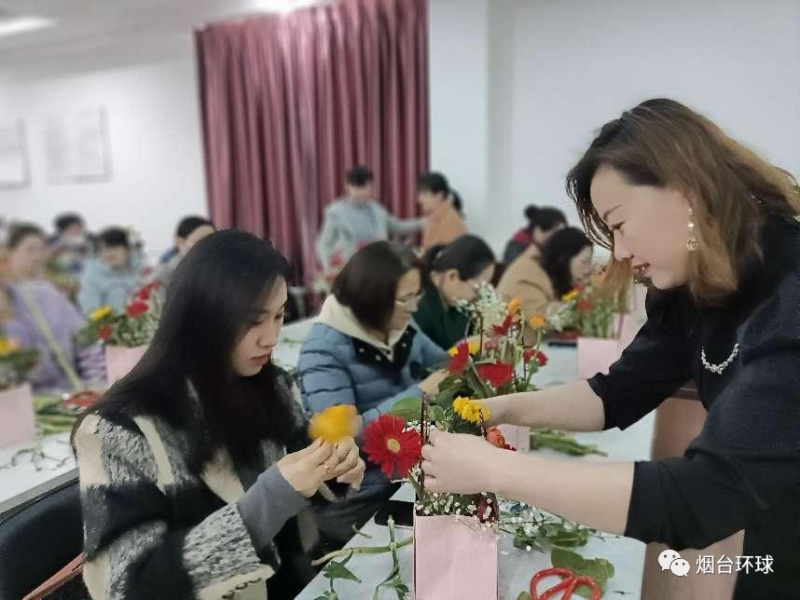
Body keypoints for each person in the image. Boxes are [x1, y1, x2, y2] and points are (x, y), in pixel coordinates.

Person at [418, 99, 800, 598]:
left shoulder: (789, 292)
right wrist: (502, 408)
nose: (617, 251)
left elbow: (702, 496)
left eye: (618, 224)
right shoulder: (698, 282)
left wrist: (495, 470)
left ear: (686, 193)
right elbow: (615, 393)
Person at [72, 230, 365, 599]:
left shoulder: (270, 385)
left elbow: (300, 478)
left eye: (279, 316)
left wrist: (334, 469)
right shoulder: (119, 430)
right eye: (254, 320)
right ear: (200, 317)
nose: (271, 337)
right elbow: (126, 585)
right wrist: (269, 499)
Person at [298, 241, 448, 544]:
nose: (414, 307)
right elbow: (345, 440)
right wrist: (419, 394)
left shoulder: (399, 324)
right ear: (371, 298)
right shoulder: (322, 350)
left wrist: (465, 358)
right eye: (405, 299)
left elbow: (441, 362)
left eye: (417, 295)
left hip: (407, 476)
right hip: (360, 500)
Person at [5, 224, 105, 391]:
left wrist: (96, 382)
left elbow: (85, 340)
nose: (37, 257)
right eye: (30, 250)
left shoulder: (51, 295)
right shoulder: (6, 301)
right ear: (9, 254)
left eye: (41, 250)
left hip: (70, 392)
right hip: (22, 397)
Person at [316, 165, 424, 274]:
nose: (359, 192)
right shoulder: (335, 212)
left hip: (378, 265)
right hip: (350, 268)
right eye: (355, 187)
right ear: (347, 186)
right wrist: (327, 267)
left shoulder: (377, 209)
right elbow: (324, 243)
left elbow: (398, 226)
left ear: (371, 187)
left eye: (363, 187)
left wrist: (424, 222)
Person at [498, 227, 593, 342]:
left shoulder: (551, 273)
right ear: (564, 258)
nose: (588, 269)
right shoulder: (527, 273)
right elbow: (541, 317)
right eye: (585, 262)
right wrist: (589, 309)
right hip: (501, 349)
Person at [414, 235, 496, 350]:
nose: (476, 298)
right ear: (452, 276)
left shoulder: (456, 303)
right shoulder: (419, 308)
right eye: (476, 290)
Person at [78, 227, 144, 315]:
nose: (109, 254)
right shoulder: (92, 277)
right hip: (110, 322)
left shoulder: (141, 270)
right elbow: (91, 311)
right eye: (103, 250)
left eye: (114, 248)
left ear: (127, 249)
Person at [147, 216, 215, 292]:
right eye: (201, 240)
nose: (210, 246)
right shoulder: (163, 276)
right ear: (180, 241)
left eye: (214, 240)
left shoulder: (214, 272)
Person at [502, 205, 567, 266]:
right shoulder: (517, 245)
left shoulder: (557, 248)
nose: (551, 234)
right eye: (545, 228)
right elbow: (514, 267)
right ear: (534, 228)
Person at [418, 172, 468, 250]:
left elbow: (438, 254)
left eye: (424, 195)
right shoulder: (434, 216)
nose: (419, 199)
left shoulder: (449, 221)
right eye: (419, 195)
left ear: (439, 195)